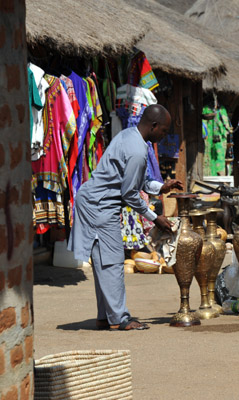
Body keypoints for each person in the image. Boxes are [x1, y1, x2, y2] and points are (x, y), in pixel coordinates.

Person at [68, 104, 183, 331]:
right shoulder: (138, 151)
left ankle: (106, 315)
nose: (165, 135)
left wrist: (161, 187)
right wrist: (155, 217)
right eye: (164, 130)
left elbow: (136, 181)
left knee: (103, 261)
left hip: (93, 201)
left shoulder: (129, 136)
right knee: (112, 262)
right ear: (154, 126)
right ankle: (120, 318)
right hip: (100, 205)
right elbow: (129, 193)